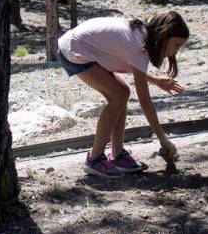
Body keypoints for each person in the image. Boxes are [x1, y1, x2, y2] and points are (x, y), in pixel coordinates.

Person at [57, 11, 189, 178]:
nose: (176, 52)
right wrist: (163, 139)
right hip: (73, 50)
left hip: (81, 47)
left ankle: (118, 155)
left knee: (122, 93)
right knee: (118, 96)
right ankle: (95, 159)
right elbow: (145, 101)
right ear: (164, 35)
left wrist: (156, 81)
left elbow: (133, 68)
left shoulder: (141, 36)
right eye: (176, 45)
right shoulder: (137, 44)